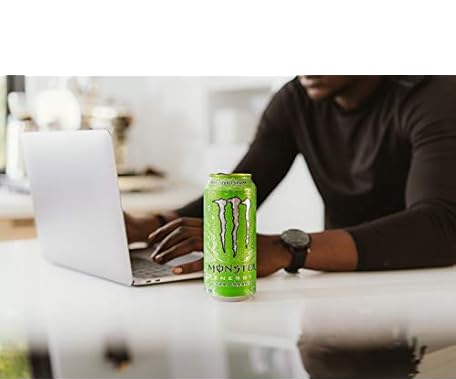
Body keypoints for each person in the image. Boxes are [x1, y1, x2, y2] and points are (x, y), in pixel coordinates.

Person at [125, 76, 456, 277]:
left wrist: (288, 249)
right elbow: (241, 189)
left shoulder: (433, 94)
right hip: (342, 283)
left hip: (427, 285)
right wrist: (150, 226)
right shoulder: (295, 99)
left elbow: (441, 227)